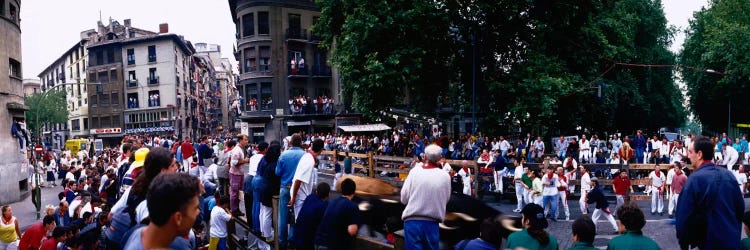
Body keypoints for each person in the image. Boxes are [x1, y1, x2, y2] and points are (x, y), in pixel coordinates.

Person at [676, 136, 744, 250]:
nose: (688, 155)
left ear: (699, 154)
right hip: (732, 242)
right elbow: (740, 209)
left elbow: (683, 220)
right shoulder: (729, 175)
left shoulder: (694, 180)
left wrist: (684, 245)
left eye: (690, 152)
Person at [122, 173, 201, 250]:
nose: (198, 212)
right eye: (195, 208)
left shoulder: (134, 232)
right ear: (178, 218)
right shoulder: (179, 246)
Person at [400, 144, 451, 250]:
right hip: (432, 224)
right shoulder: (445, 176)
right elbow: (446, 199)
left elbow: (403, 199)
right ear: (440, 158)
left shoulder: (414, 171)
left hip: (412, 222)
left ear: (424, 157)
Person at [276, 134, 307, 248]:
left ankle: (282, 241)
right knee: (297, 215)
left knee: (283, 216)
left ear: (290, 143)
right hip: (299, 189)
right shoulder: (304, 155)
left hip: (285, 187)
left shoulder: (284, 155)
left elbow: (277, 172)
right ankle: (292, 239)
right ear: (300, 142)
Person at [314, 178, 359, 250]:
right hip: (332, 245)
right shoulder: (352, 206)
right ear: (354, 191)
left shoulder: (332, 201)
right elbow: (352, 231)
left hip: (319, 241)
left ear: (341, 190)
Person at [290, 139, 324, 219]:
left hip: (300, 194)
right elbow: (298, 180)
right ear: (321, 149)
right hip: (301, 196)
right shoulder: (309, 160)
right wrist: (293, 197)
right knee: (300, 222)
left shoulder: (307, 156)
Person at [292, 183, 330, 250]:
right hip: (307, 241)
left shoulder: (310, 197)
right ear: (328, 195)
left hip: (297, 235)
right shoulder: (323, 206)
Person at [256, 141, 281, 242]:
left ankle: (263, 231)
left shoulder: (265, 159)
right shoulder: (274, 164)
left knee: (263, 210)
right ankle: (267, 235)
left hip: (263, 186)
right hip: (269, 189)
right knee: (267, 212)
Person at [248, 141, 267, 234]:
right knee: (260, 205)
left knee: (254, 204)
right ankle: (259, 227)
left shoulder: (252, 157)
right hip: (259, 179)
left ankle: (255, 226)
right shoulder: (264, 158)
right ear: (265, 149)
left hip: (251, 179)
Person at [229, 135, 249, 216]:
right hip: (235, 174)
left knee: (238, 192)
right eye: (245, 140)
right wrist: (245, 161)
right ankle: (234, 210)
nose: (247, 141)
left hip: (239, 173)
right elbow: (234, 162)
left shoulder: (240, 149)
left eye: (247, 140)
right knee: (234, 192)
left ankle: (236, 209)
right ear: (240, 140)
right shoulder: (237, 149)